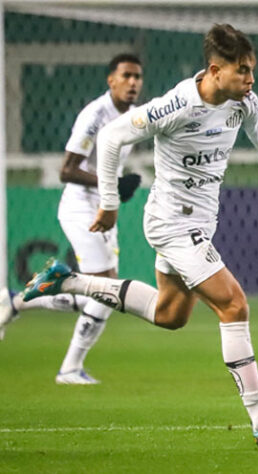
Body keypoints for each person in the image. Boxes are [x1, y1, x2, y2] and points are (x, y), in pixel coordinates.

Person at [21, 24, 258, 449]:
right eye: (242, 71)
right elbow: (113, 136)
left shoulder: (244, 102)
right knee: (233, 303)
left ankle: (68, 281)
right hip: (172, 222)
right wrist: (109, 202)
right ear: (215, 70)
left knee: (171, 314)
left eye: (252, 71)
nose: (251, 80)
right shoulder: (177, 104)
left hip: (200, 221)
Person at [0, 54, 144, 385]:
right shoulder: (94, 116)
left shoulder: (135, 116)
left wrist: (118, 186)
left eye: (138, 77)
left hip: (105, 206)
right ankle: (64, 363)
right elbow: (67, 170)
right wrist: (111, 183)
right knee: (106, 290)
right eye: (127, 76)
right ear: (112, 80)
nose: (133, 82)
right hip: (81, 208)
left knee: (106, 293)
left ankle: (20, 305)